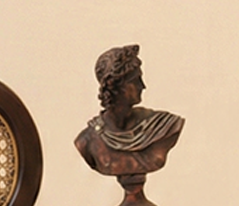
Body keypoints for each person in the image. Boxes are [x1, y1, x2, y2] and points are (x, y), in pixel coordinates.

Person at [74, 44, 184, 178]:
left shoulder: (163, 126)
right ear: (116, 87)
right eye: (135, 80)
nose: (142, 86)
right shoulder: (87, 141)